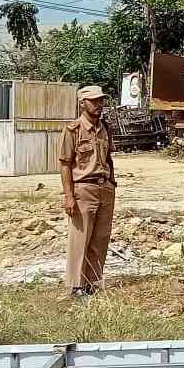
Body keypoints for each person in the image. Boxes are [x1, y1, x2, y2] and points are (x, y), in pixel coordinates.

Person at [59, 85, 116, 299]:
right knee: (80, 239)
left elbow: (108, 159)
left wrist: (111, 183)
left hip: (105, 188)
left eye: (101, 100)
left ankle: (92, 282)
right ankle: (76, 286)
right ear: (83, 103)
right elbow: (65, 164)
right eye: (94, 101)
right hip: (83, 189)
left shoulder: (105, 128)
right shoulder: (73, 130)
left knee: (101, 238)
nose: (99, 105)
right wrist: (68, 196)